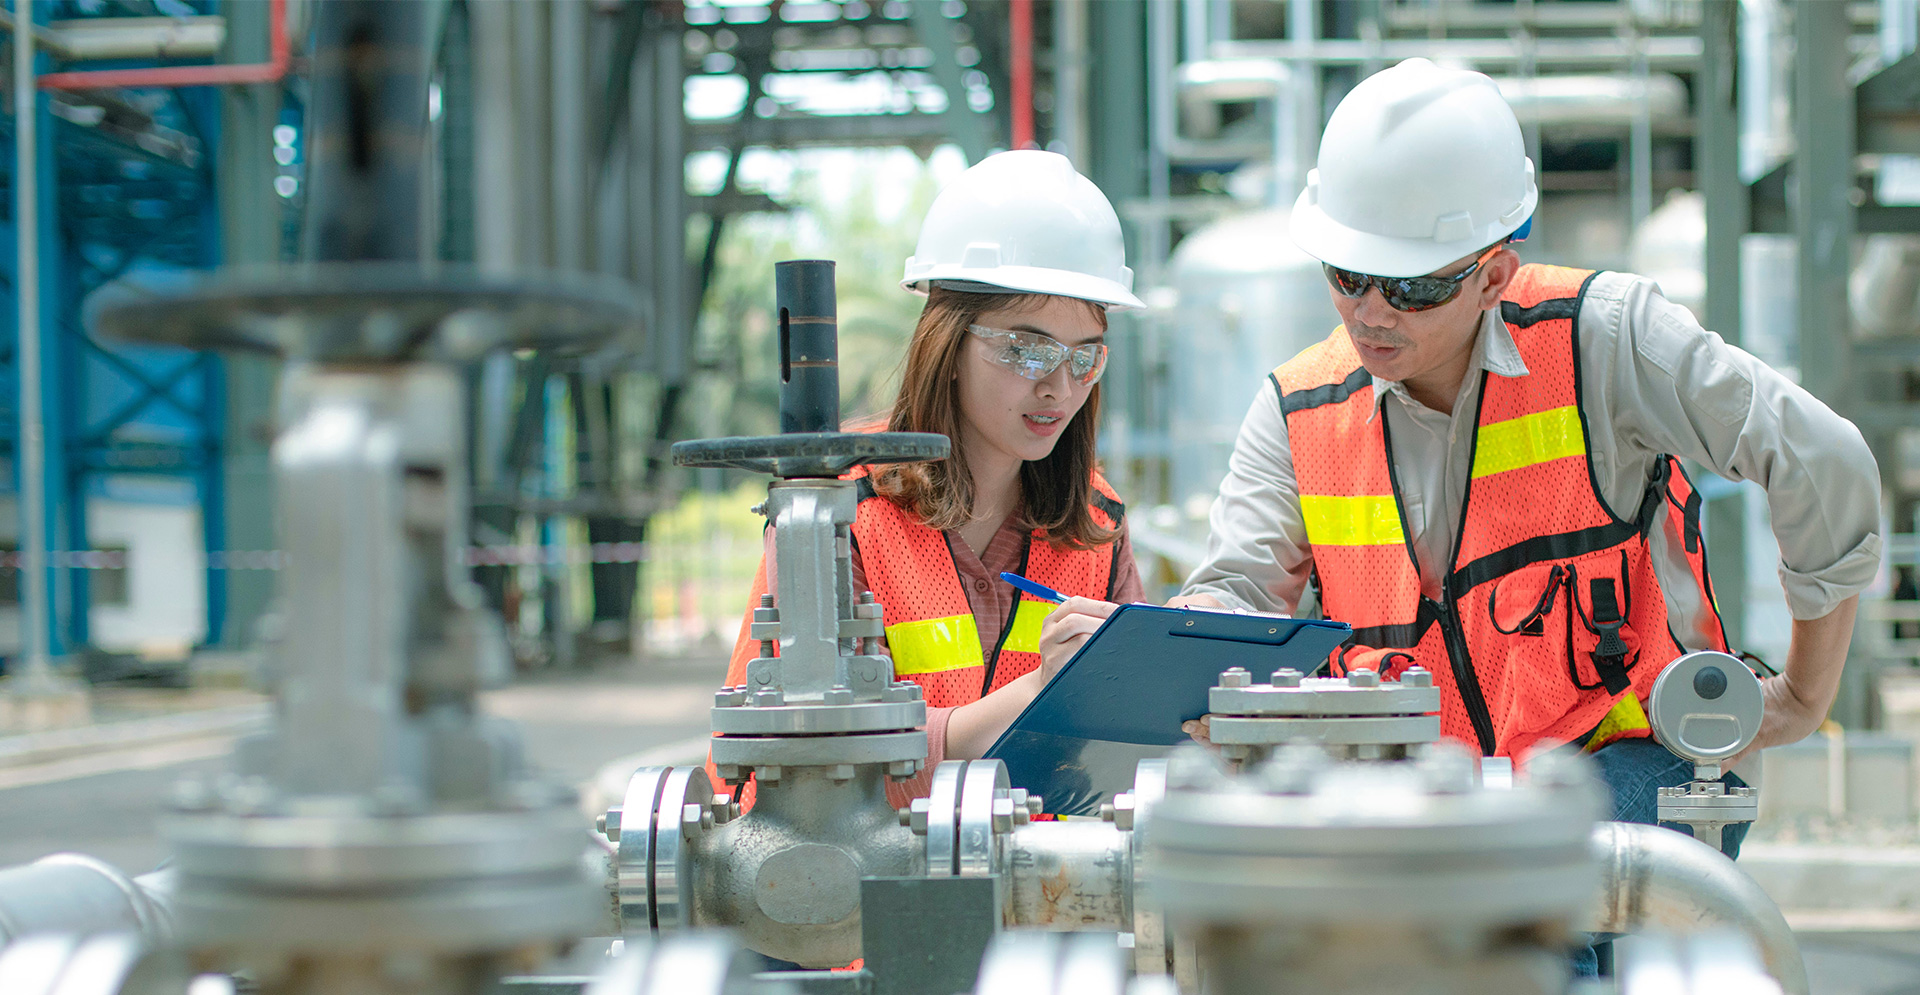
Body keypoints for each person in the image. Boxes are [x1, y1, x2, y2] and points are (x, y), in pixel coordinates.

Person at [1045, 58, 1883, 856]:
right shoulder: (1297, 408)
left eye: (1411, 287)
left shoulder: (1606, 339)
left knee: (1537, 908)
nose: (1371, 312)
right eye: (1347, 275)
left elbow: (1823, 458)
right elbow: (1237, 592)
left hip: (1640, 755)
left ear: (1494, 274)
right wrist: (1158, 645)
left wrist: (1804, 696)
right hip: (1427, 795)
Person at [718, 150, 1147, 808]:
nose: (1059, 386)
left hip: (1049, 888)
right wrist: (1043, 690)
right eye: (1025, 348)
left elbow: (1124, 749)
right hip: (863, 893)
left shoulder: (1096, 521)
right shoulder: (837, 514)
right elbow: (820, 767)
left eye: (1084, 356)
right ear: (945, 345)